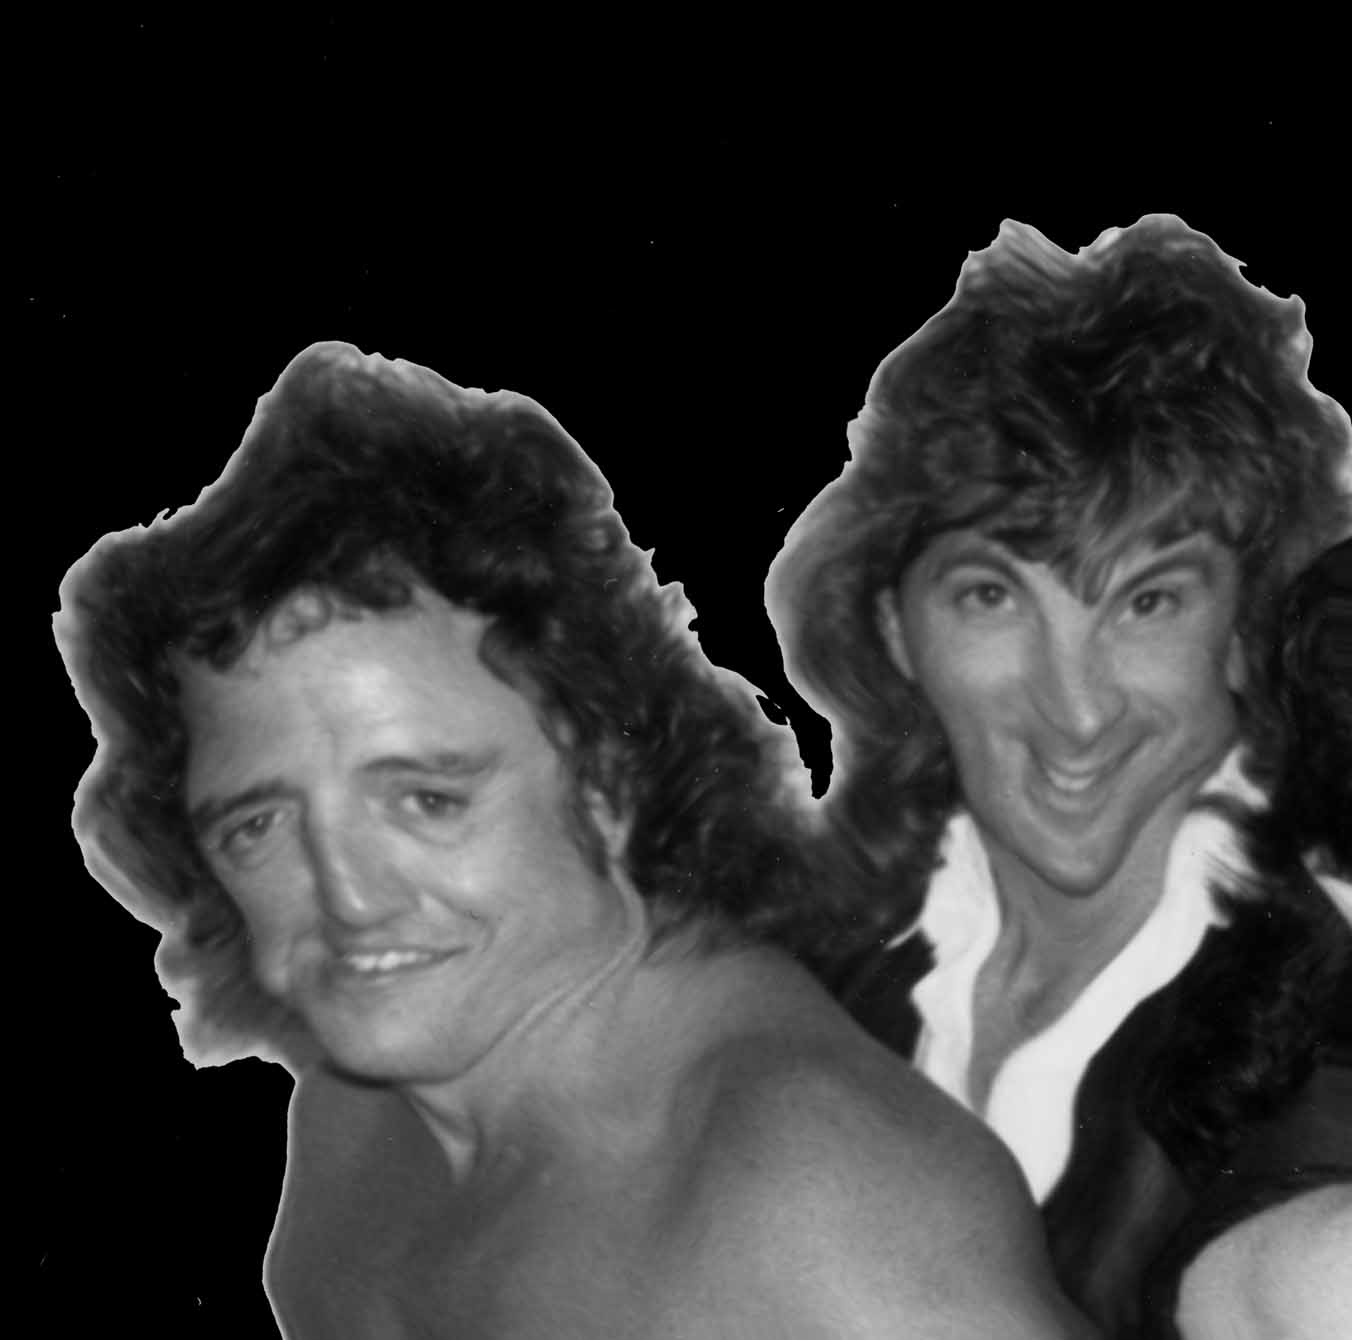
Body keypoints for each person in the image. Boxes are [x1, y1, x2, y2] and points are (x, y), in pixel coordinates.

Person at [57, 344, 1093, 1339]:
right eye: (260, 824)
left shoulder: (810, 1190)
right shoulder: (362, 1094)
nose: (349, 899)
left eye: (427, 800)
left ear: (605, 779)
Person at [767, 217, 1352, 1337]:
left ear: (1242, 631)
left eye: (1147, 601)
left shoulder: (1323, 1014)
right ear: (894, 629)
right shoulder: (807, 977)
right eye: (991, 596)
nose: (1074, 710)